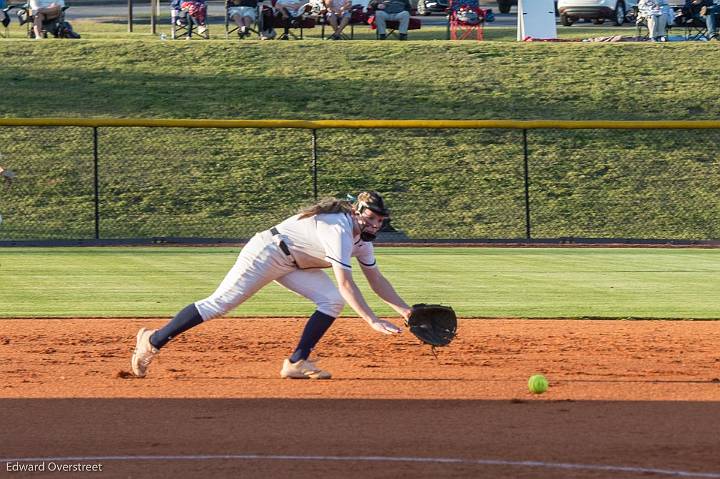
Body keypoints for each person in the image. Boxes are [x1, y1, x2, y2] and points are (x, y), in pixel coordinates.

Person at [131, 191, 411, 380]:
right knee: (220, 304)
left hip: (296, 263)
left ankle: (297, 363)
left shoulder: (362, 240)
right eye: (371, 217)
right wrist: (371, 320)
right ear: (356, 211)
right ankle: (152, 341)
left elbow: (376, 280)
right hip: (267, 252)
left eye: (380, 219)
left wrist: (406, 312)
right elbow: (346, 282)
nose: (376, 223)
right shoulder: (338, 228)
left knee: (331, 300)